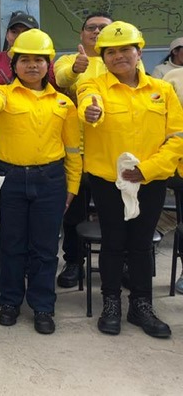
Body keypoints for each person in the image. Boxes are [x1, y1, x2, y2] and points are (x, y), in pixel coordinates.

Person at [78, 21, 181, 339]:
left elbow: (177, 136)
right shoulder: (93, 85)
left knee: (140, 244)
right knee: (113, 242)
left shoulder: (162, 90)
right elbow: (87, 103)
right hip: (109, 180)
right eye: (111, 52)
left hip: (150, 180)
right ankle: (111, 304)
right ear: (103, 57)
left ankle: (141, 306)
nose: (118, 56)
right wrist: (91, 112)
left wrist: (148, 169)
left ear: (139, 52)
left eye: (126, 50)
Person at [0, 29, 81, 335]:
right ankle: (9, 302)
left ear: (48, 65)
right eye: (25, 60)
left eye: (39, 60)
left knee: (45, 248)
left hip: (50, 180)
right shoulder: (3, 94)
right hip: (9, 178)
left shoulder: (63, 104)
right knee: (11, 245)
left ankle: (43, 306)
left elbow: (73, 150)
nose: (32, 65)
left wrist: (72, 187)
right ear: (14, 65)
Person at [52, 12, 113, 288]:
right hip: (76, 151)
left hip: (111, 151)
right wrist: (76, 69)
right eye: (91, 27)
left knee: (113, 212)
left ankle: (118, 262)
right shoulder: (68, 60)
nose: (97, 32)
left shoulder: (121, 61)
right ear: (82, 33)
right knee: (73, 213)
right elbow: (62, 79)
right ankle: (74, 262)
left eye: (103, 28)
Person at [0, 11, 55, 169]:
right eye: (14, 31)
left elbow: (52, 95)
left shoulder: (45, 63)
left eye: (26, 32)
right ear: (7, 35)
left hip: (40, 141)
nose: (19, 36)